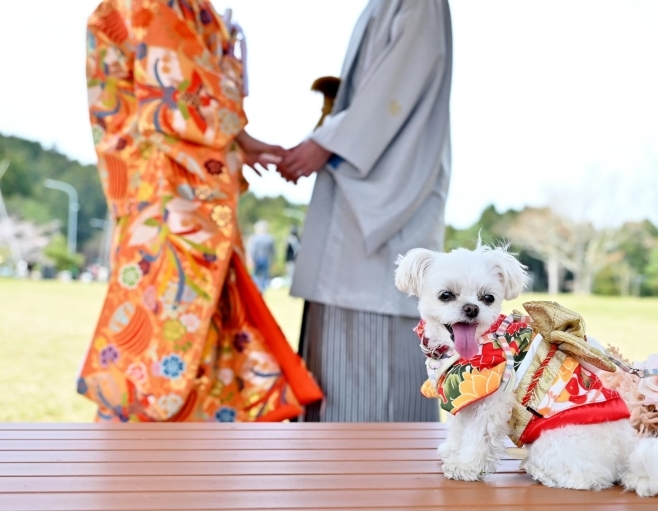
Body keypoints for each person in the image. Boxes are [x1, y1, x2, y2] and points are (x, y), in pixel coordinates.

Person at [78, 0, 322, 422]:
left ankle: (189, 441)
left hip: (181, 186)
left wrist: (237, 137)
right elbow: (173, 84)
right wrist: (239, 135)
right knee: (171, 311)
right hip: (171, 191)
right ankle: (159, 441)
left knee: (186, 315)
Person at [280, 0, 453, 422]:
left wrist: (327, 141)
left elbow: (395, 86)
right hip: (357, 207)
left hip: (381, 213)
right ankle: (337, 481)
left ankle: (369, 484)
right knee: (340, 376)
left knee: (375, 385)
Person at [246, 220, 275, 293]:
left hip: (257, 258)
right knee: (263, 275)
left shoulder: (254, 238)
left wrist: (250, 259)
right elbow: (272, 251)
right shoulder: (269, 238)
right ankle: (261, 288)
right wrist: (272, 261)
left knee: (256, 274)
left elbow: (251, 250)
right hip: (265, 259)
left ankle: (257, 288)